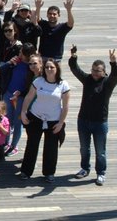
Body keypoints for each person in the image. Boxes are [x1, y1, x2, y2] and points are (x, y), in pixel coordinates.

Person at [68, 45, 116, 185]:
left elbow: (115, 75)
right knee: (84, 148)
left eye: (98, 71)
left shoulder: (107, 83)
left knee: (100, 151)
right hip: (83, 120)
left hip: (100, 122)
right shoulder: (87, 79)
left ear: (104, 71)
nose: (95, 73)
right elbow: (75, 69)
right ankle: (84, 168)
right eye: (93, 70)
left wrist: (113, 62)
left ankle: (101, 173)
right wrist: (74, 56)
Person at [19, 58, 70, 182]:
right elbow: (29, 97)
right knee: (32, 144)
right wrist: (23, 112)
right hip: (36, 117)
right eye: (47, 67)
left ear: (57, 69)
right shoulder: (38, 81)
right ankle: (26, 171)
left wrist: (60, 123)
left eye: (52, 67)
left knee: (51, 148)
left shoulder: (63, 85)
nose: (49, 69)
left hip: (53, 120)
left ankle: (49, 173)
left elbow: (66, 106)